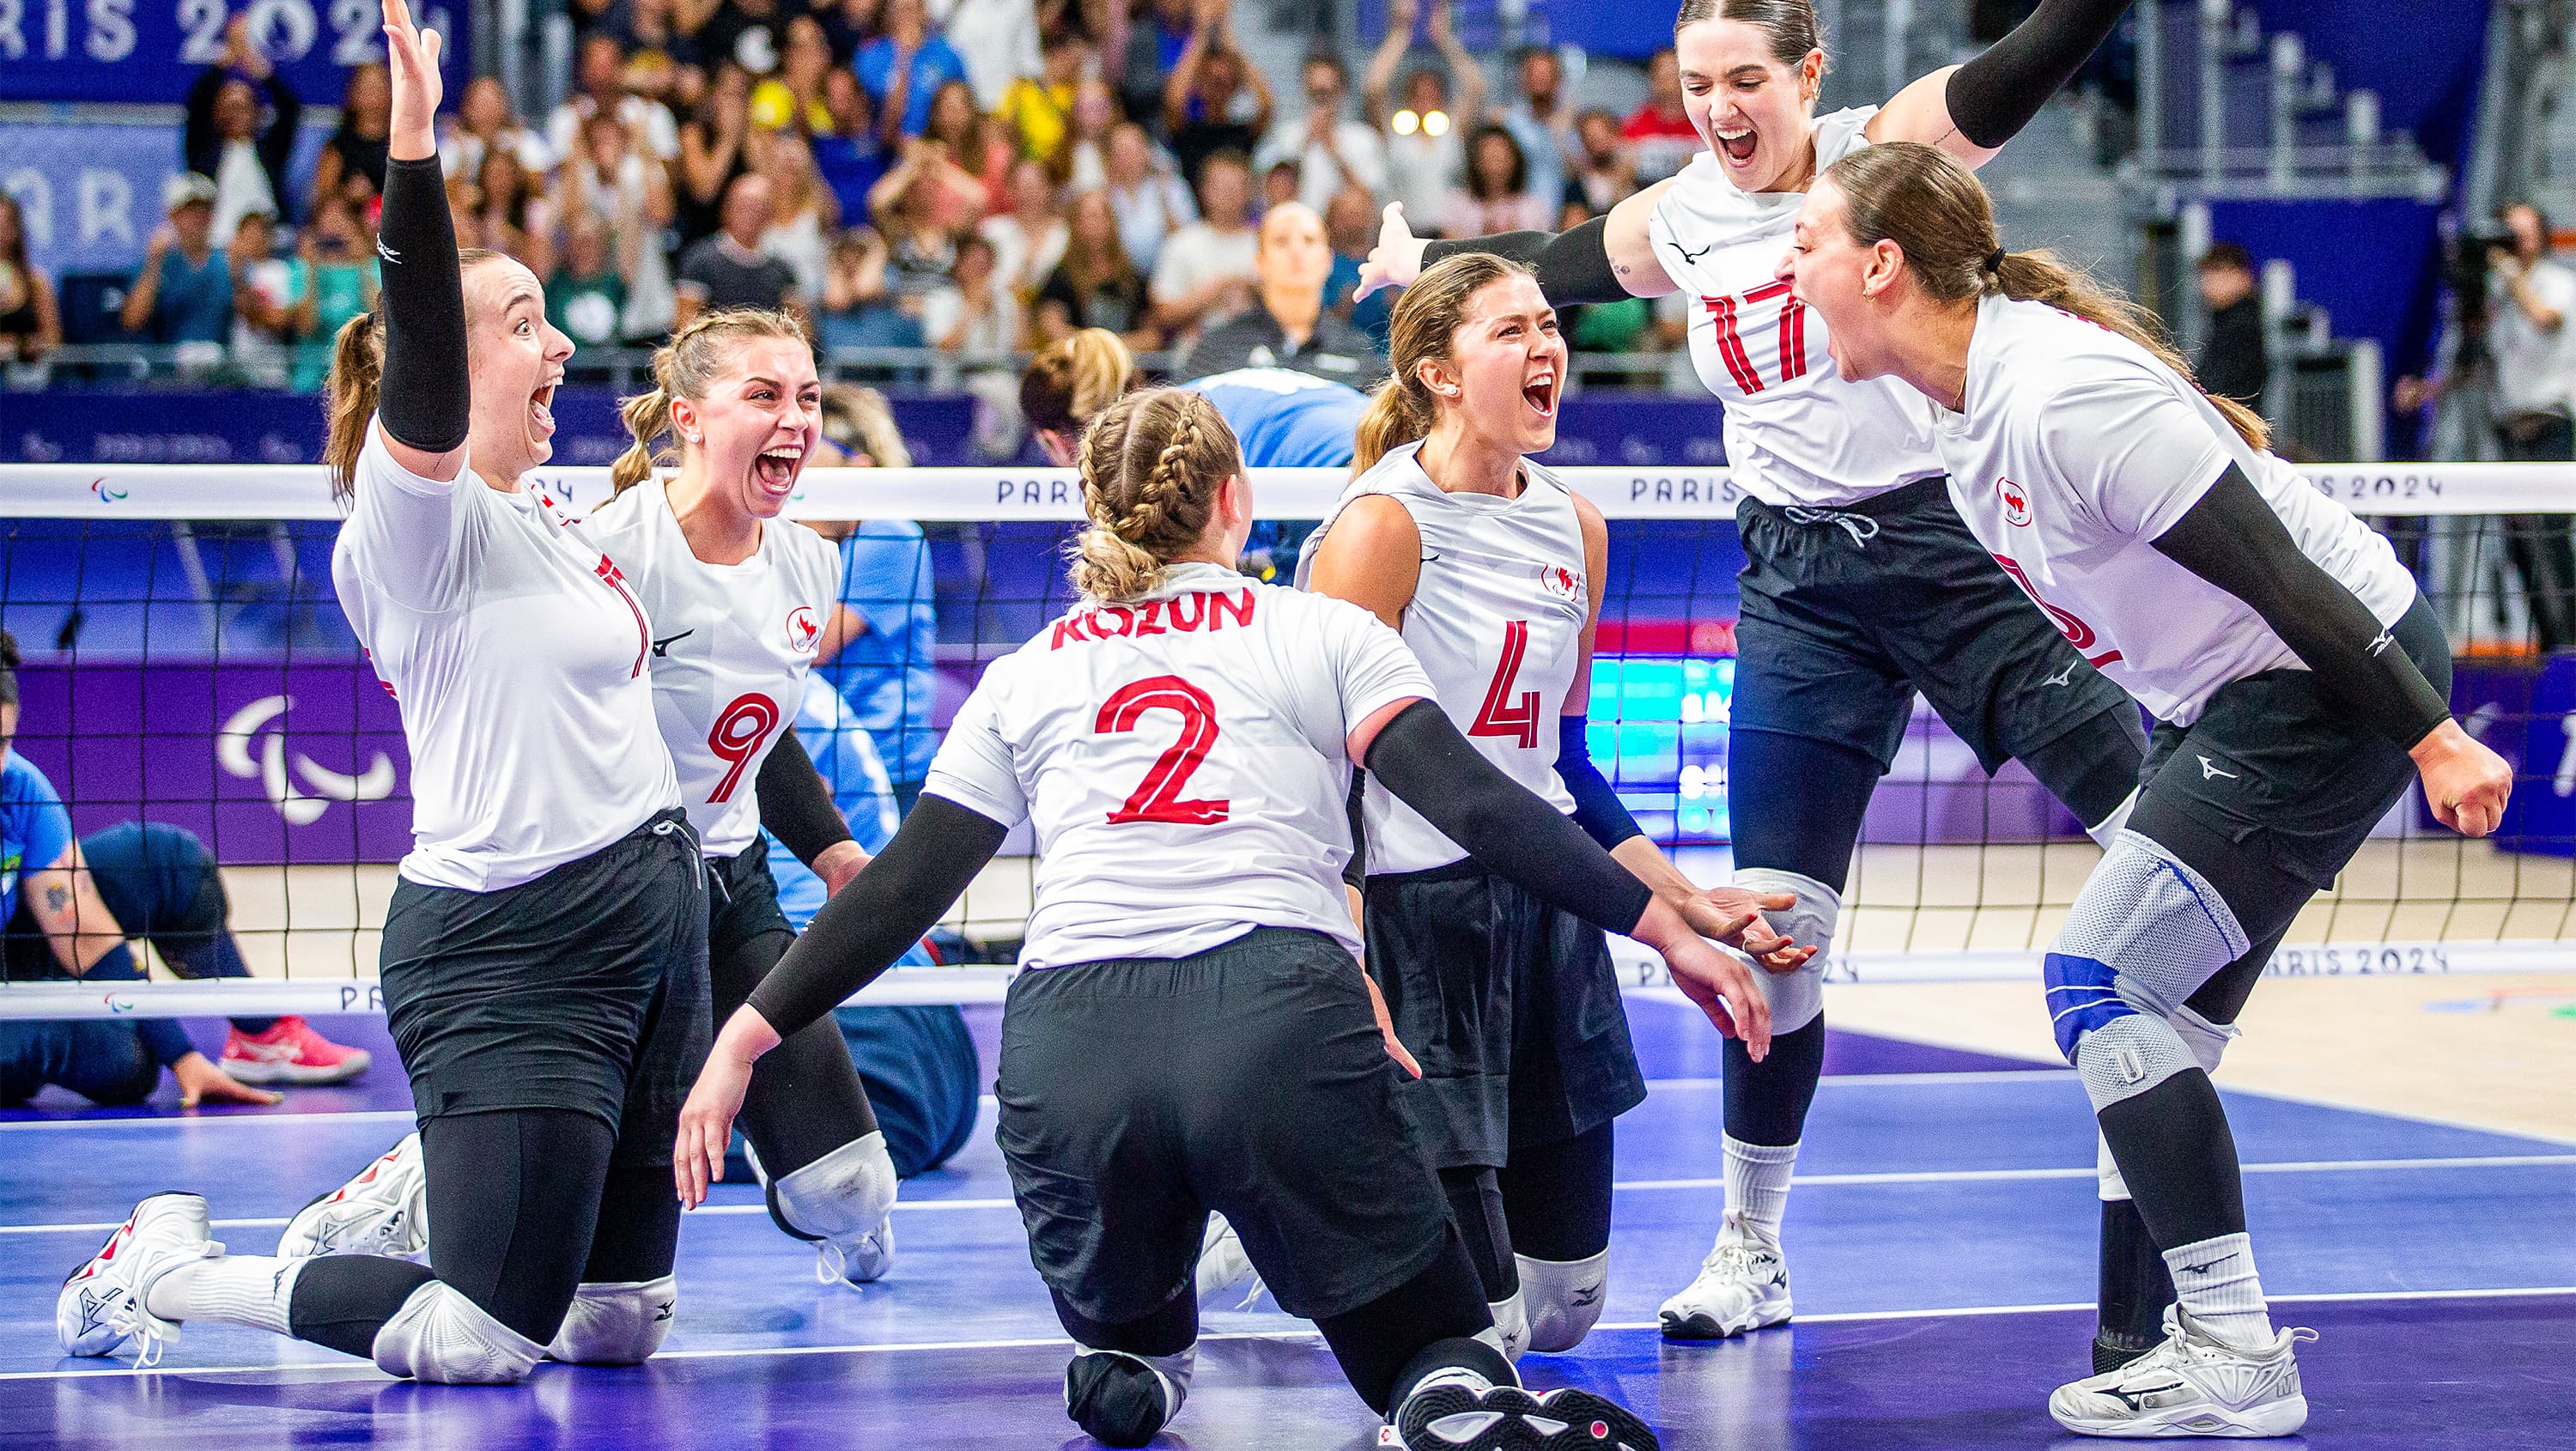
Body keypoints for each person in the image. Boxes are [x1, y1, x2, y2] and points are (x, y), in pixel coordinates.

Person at [676, 384, 1782, 1450]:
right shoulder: (1316, 632)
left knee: (1124, 1347)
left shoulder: (1027, 675)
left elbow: (902, 888)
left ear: (1094, 514)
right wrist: (1663, 921)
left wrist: (748, 1034)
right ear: (1235, 503)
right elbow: (1485, 803)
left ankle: (1133, 1358)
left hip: (1072, 1050)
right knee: (1440, 1350)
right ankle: (1446, 1395)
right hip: (1274, 1022)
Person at [1356, 0, 2155, 1359]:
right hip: (1798, 583)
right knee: (1777, 935)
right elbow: (1551, 258)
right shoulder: (1683, 215)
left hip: (1958, 552)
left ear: (1808, 75)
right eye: (1694, 83)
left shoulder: (1878, 153)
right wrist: (1418, 257)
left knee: (2165, 863)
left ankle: (2164, 1235)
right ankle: (1753, 1246)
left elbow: (2019, 74)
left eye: (1746, 80)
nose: (1720, 107)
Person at [1782, 137, 2513, 1438]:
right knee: (2157, 1018)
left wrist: (2433, 736)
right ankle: (2155, 1344)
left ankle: (2237, 1350)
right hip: (2238, 698)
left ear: (1881, 265)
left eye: (1807, 248)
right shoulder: (1961, 412)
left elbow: (2282, 570)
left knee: (2097, 978)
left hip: (2332, 674)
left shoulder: (2060, 392)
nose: (1790, 275)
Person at [61, 0, 708, 1384]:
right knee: (478, 1342)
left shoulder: (549, 521)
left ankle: (424, 1173)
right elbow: (419, 337)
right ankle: (172, 1266)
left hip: (653, 943)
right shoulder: (410, 526)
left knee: (616, 1328)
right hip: (512, 952)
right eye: (526, 324)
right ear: (447, 360)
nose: (563, 352)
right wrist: (414, 145)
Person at [1260, 255, 1809, 1358]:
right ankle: (1294, 1240)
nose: (1546, 346)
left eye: (1548, 326)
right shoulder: (1381, 525)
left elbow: (1560, 768)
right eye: (1510, 332)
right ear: (1440, 372)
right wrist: (1341, 940)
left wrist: (1683, 898)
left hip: (1552, 919)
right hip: (1419, 921)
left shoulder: (1577, 525)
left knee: (1565, 1312)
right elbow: (1310, 766)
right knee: (1490, 1320)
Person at [0, 634, 368, 1107]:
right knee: (124, 1066)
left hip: (16, 952)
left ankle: (261, 1037)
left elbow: (80, 929)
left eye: (4, 741)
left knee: (168, 861)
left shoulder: (20, 787)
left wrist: (182, 1055)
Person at [1178, 203, 1382, 384]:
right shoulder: (1219, 346)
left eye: (1309, 240)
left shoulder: (1358, 348)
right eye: (1281, 241)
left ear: (1328, 260)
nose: (1297, 251)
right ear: (1259, 262)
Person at [1364, 0, 1482, 229]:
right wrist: (1400, 33)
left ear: (1442, 100)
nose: (1425, 102)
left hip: (1447, 233)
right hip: (1404, 231)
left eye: (1433, 95)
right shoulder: (1395, 133)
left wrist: (1445, 38)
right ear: (1408, 100)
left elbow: (1475, 86)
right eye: (1418, 95)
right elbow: (1374, 86)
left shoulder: (1451, 130)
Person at [185, 16, 302, 240]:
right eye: (229, 107)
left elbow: (290, 108)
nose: (236, 113)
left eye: (243, 106)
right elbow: (196, 107)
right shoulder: (203, 153)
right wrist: (225, 62)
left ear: (257, 112)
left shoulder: (270, 151)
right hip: (218, 244)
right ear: (216, 113)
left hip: (271, 244)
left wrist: (256, 65)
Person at [1253, 54, 1390, 216]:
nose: (1321, 101)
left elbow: (1371, 199)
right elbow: (1267, 193)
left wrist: (1336, 154)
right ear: (1305, 90)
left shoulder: (1364, 138)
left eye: (1327, 93)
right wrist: (1304, 143)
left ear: (1342, 91)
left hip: (1346, 236)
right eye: (1315, 93)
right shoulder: (1285, 135)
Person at [120, 175, 234, 368]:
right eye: (190, 211)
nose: (199, 218)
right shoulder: (160, 262)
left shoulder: (226, 260)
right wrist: (153, 265)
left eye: (204, 210)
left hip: (221, 373)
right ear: (173, 215)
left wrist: (240, 277)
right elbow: (132, 321)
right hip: (169, 374)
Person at [1150, 152, 1260, 345]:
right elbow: (1162, 314)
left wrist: (1253, 290)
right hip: (1195, 360)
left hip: (1257, 356)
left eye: (1237, 186)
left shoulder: (1265, 244)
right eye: (1223, 186)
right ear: (1205, 190)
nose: (1230, 194)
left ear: (1249, 191)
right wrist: (1211, 293)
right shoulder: (1181, 243)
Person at [677, 174, 805, 327]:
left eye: (760, 208)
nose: (751, 215)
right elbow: (685, 326)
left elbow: (800, 328)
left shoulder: (782, 269)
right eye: (744, 206)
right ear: (726, 209)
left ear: (770, 215)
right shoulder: (700, 260)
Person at [1035, 191, 1156, 348]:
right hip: (1079, 363)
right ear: (1075, 224)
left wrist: (1111, 347)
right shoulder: (1061, 277)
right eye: (1087, 218)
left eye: (1099, 217)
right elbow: (1051, 328)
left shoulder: (1132, 277)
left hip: (1125, 362)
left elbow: (1152, 335)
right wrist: (1097, 347)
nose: (1094, 225)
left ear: (1112, 222)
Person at [857, 0, 970, 142]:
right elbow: (880, 122)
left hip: (940, 145)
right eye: (899, 10)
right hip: (886, 149)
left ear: (924, 13)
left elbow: (965, 107)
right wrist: (904, 56)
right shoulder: (870, 57)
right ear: (888, 15)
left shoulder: (947, 54)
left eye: (911, 10)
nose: (906, 18)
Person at [2192, 241, 2266, 413]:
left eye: (2220, 271)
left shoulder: (2242, 326)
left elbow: (2212, 384)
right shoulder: (2225, 322)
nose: (2210, 281)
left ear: (2244, 277)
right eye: (2207, 273)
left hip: (2236, 423)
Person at [313, 64, 396, 207]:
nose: (372, 96)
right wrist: (346, 194)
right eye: (366, 88)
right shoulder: (337, 149)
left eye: (378, 88)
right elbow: (320, 201)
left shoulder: (404, 147)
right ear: (352, 94)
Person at [1619, 48, 1700, 184]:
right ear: (1653, 79)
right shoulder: (1634, 126)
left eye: (1675, 75)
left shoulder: (1707, 122)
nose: (1670, 83)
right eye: (1664, 75)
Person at [0, 194, 61, 366]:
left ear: (15, 231)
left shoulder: (36, 282)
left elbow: (53, 340)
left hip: (24, 381)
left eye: (5, 225)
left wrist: (29, 346)